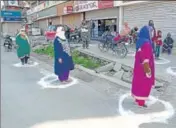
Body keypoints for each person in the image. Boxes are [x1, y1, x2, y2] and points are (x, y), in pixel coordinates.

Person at [131, 26, 155, 107]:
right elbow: (146, 60)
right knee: (144, 85)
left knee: (138, 83)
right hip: (144, 68)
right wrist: (148, 71)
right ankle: (141, 103)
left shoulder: (139, 41)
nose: (151, 34)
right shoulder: (147, 44)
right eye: (150, 32)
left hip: (138, 66)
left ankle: (137, 99)